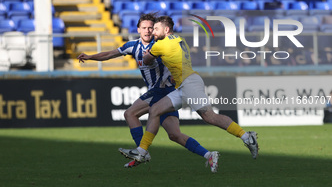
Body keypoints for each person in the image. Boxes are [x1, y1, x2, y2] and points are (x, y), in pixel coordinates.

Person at [77, 13, 220, 172]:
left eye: (150, 28)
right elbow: (110, 54)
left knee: (130, 114)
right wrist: (90, 57)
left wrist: (175, 75)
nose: (147, 30)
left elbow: (176, 57)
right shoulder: (132, 46)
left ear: (154, 30)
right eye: (144, 28)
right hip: (164, 94)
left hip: (162, 90)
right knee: (174, 135)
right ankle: (209, 155)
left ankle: (141, 152)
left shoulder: (160, 44)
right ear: (138, 29)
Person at [119, 16, 259, 168]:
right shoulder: (179, 39)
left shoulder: (161, 44)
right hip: (182, 85)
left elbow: (146, 60)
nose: (153, 32)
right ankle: (142, 150)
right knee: (155, 110)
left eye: (156, 29)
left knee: (210, 117)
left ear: (166, 30)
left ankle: (246, 136)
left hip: (189, 83)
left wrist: (147, 53)